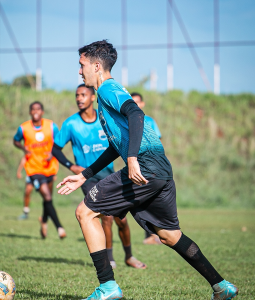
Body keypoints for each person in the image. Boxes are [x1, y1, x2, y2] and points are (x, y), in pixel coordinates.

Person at [57, 40, 238, 300]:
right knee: (169, 234)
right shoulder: (104, 98)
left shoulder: (108, 88)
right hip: (160, 167)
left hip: (145, 164)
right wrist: (84, 174)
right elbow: (114, 146)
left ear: (96, 66)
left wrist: (132, 158)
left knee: (84, 213)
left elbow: (136, 114)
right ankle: (222, 287)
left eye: (82, 65)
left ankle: (108, 288)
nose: (79, 71)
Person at [51, 83, 146, 269]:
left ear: (93, 97)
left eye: (83, 95)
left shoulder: (104, 120)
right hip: (87, 178)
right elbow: (55, 148)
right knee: (106, 216)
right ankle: (110, 260)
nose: (79, 98)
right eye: (77, 95)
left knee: (122, 219)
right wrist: (71, 166)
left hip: (109, 175)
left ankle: (129, 256)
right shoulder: (71, 124)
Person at [13, 101, 66, 239]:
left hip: (49, 167)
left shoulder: (51, 126)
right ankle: (59, 228)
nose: (35, 111)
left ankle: (43, 220)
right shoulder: (23, 128)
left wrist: (52, 153)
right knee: (47, 196)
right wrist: (23, 148)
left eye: (38, 109)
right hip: (33, 169)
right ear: (30, 112)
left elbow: (60, 141)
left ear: (42, 112)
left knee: (47, 199)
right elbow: (16, 140)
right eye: (33, 109)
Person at [131, 92, 162, 245]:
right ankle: (150, 235)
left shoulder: (150, 121)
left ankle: (153, 234)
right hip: (138, 165)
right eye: (132, 102)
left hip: (153, 165)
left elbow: (158, 141)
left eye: (137, 102)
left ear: (142, 104)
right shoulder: (128, 121)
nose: (135, 105)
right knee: (143, 200)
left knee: (152, 199)